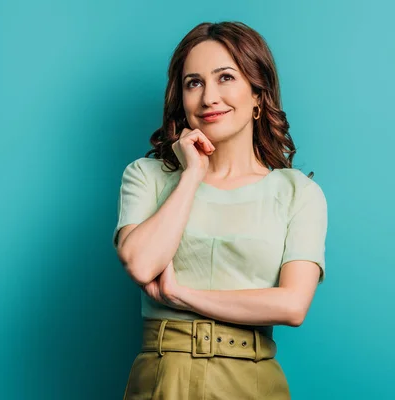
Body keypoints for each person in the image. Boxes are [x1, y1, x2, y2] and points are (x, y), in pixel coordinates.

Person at [113, 21, 328, 400]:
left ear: (258, 94)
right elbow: (141, 264)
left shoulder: (299, 193)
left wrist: (183, 296)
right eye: (193, 83)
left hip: (251, 381)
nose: (209, 97)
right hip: (164, 377)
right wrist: (193, 174)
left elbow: (293, 305)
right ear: (180, 97)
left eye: (225, 77)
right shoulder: (146, 175)